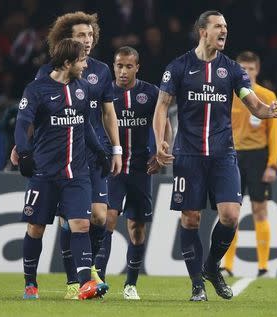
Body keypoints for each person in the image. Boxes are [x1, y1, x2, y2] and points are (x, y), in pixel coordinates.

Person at [153, 10, 277, 302]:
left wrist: (269, 111)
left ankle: (212, 266)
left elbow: (255, 106)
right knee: (190, 218)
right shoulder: (179, 67)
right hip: (188, 154)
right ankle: (197, 284)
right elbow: (162, 106)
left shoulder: (234, 70)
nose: (224, 31)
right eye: (218, 26)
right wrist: (161, 139)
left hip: (223, 154)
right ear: (203, 31)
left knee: (230, 215)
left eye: (226, 26)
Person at [33, 12, 121, 299]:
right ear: (66, 39)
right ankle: (77, 280)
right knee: (72, 220)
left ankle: (89, 271)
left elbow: (109, 112)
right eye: (81, 35)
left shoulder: (101, 70)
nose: (87, 40)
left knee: (100, 217)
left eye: (90, 35)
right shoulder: (48, 72)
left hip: (94, 154)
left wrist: (116, 149)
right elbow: (34, 111)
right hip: (65, 155)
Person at [15, 39, 110, 300]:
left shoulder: (83, 88)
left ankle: (84, 284)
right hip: (45, 173)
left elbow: (85, 125)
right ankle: (30, 284)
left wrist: (101, 151)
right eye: (81, 60)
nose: (85, 64)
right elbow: (23, 123)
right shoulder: (37, 89)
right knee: (36, 228)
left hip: (77, 174)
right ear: (67, 62)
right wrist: (24, 153)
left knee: (81, 224)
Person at [94, 46, 171, 300]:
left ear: (137, 67)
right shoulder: (105, 92)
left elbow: (164, 124)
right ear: (113, 66)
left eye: (128, 66)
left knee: (137, 228)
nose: (123, 71)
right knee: (108, 220)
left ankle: (131, 284)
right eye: (119, 65)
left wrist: (161, 154)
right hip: (112, 168)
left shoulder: (149, 93)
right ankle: (100, 282)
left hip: (140, 169)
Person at [221, 51, 277, 278]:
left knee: (259, 210)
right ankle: (227, 265)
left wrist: (272, 164)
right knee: (231, 211)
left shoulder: (266, 95)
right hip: (231, 156)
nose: (247, 73)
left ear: (258, 70)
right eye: (242, 69)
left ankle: (263, 267)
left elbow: (273, 134)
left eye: (251, 69)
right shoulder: (228, 93)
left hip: (258, 157)